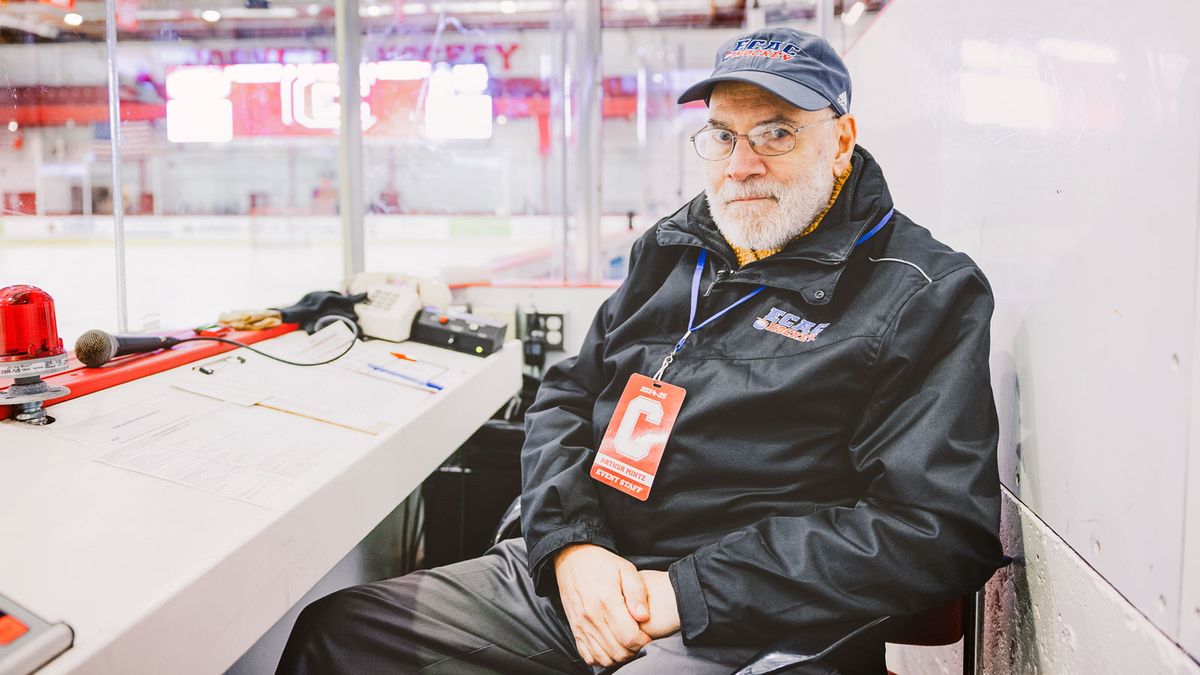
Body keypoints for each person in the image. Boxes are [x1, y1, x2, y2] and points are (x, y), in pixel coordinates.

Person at [276, 27, 1004, 675]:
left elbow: (933, 530)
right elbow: (564, 395)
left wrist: (684, 591)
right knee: (341, 634)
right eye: (723, 135)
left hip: (743, 615)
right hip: (590, 570)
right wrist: (571, 546)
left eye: (776, 133)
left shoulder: (922, 291)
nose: (741, 164)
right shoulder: (674, 249)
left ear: (840, 141)